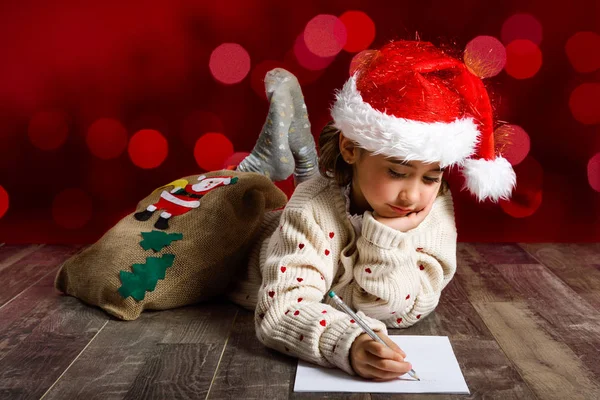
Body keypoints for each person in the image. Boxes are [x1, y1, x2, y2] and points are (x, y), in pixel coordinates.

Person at [227, 39, 516, 380]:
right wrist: (346, 342)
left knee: (314, 189)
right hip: (243, 243)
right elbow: (279, 311)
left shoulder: (435, 210)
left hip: (325, 232)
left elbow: (406, 309)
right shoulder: (310, 209)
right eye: (397, 172)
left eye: (431, 177)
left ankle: (300, 153)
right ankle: (262, 166)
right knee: (231, 200)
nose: (411, 195)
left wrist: (384, 235)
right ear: (350, 148)